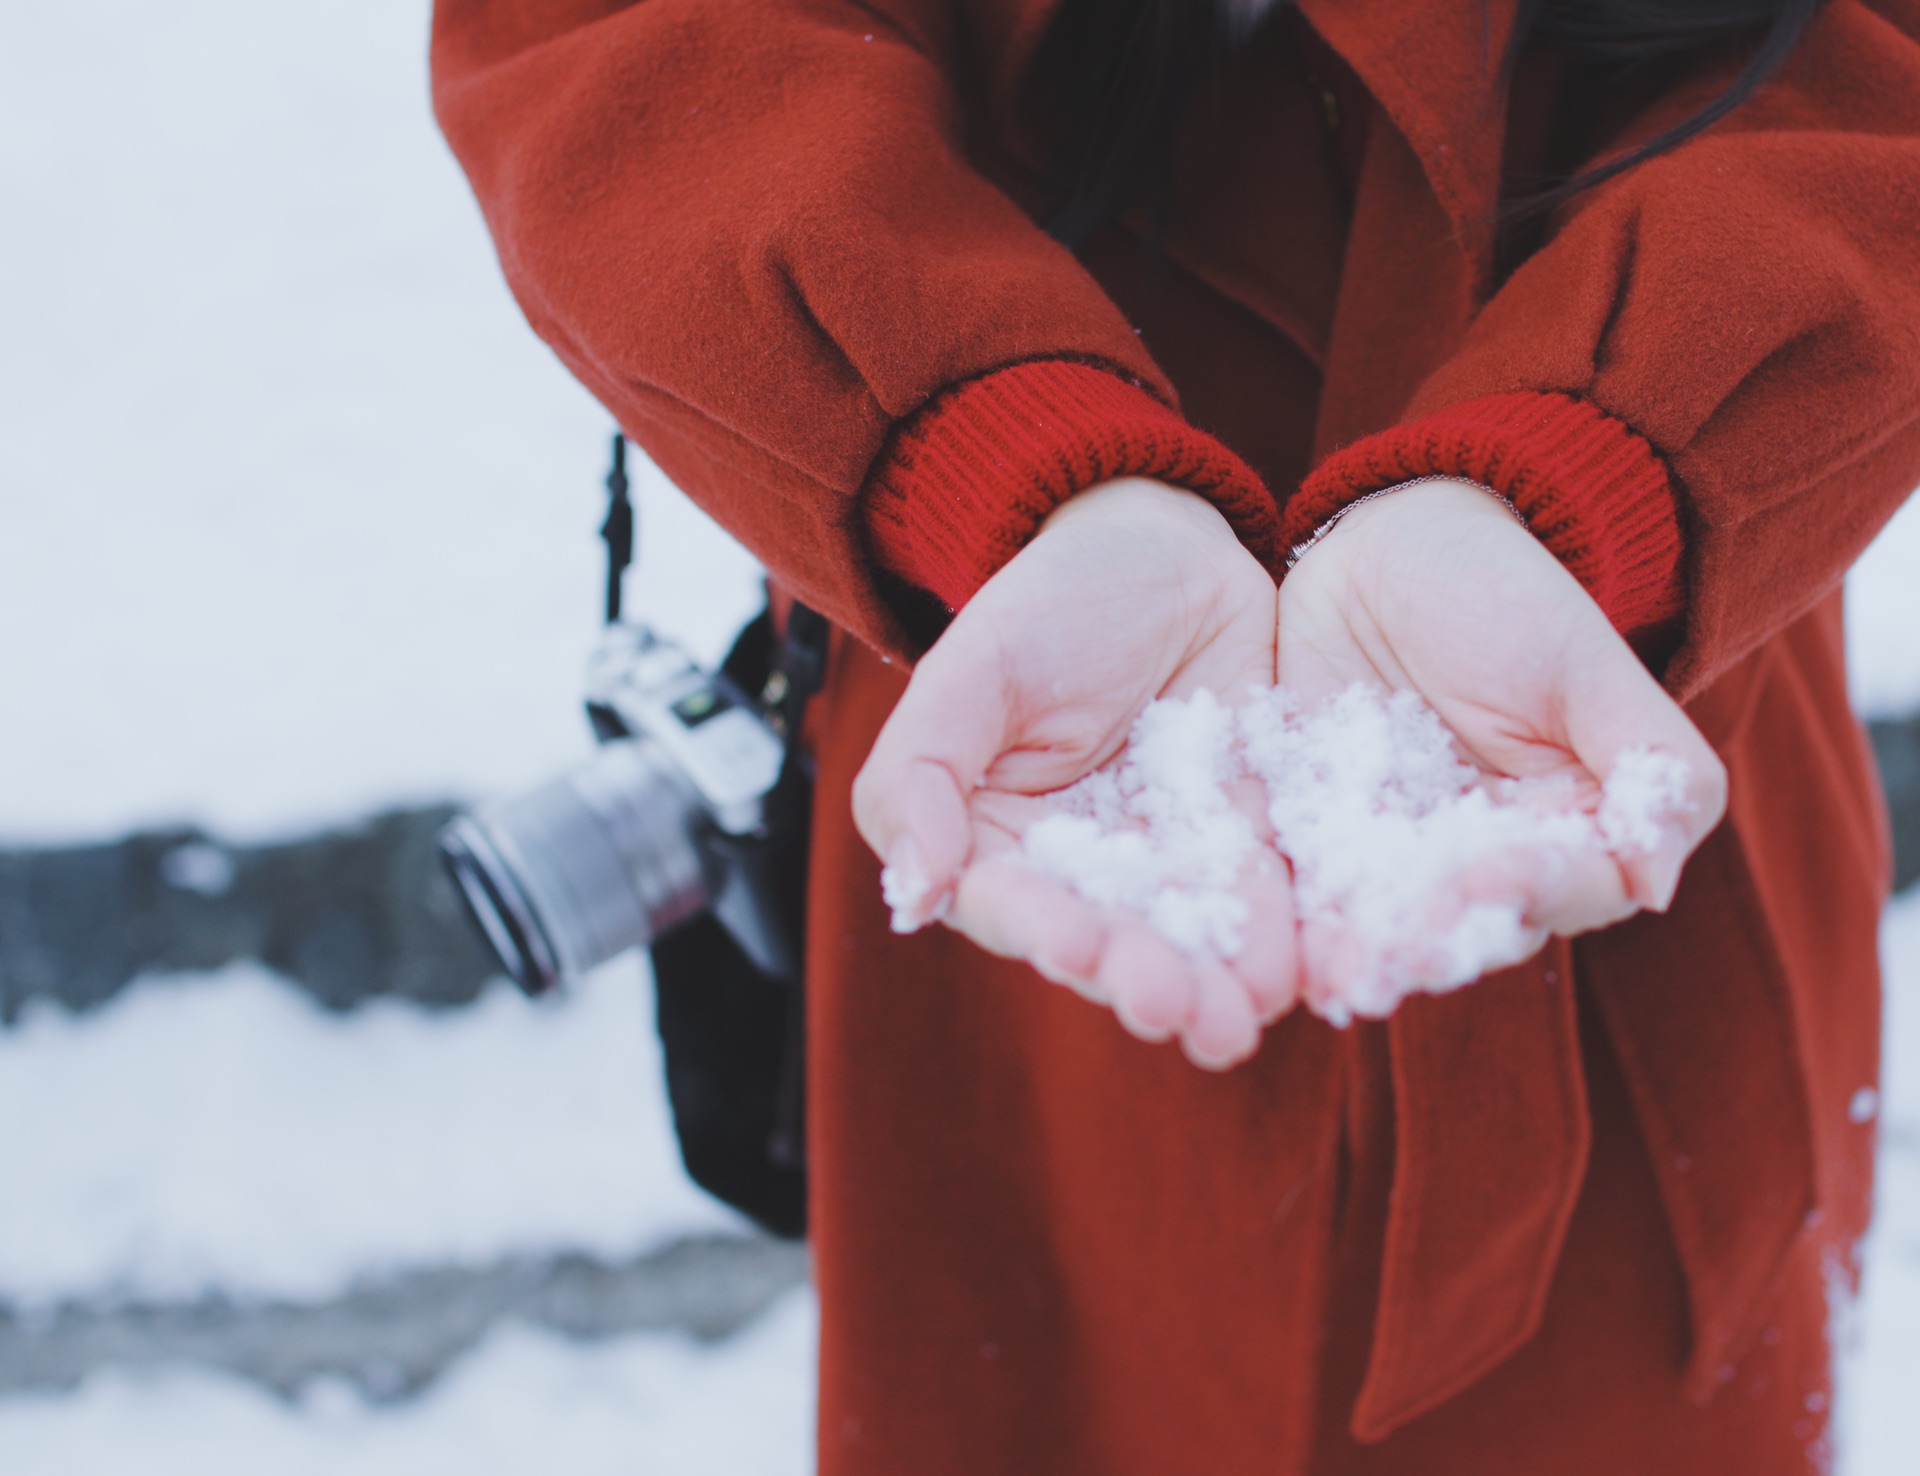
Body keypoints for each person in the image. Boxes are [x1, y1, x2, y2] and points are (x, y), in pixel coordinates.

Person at [430, 0, 1920, 1469]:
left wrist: (1602, 457)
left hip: (1602, 698)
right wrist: (990, 451)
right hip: (1022, 698)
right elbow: (611, 41)